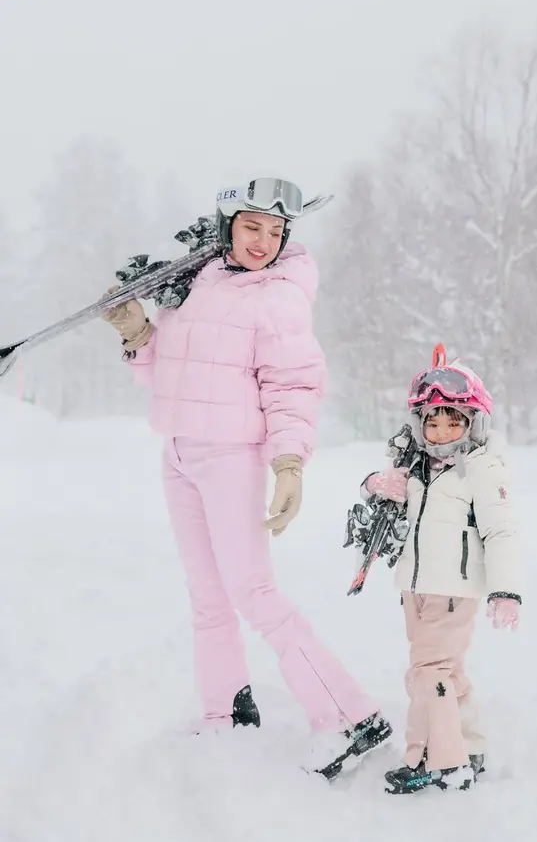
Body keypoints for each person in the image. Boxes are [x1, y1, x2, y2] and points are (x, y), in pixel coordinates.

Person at [102, 178, 391, 779]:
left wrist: (289, 464)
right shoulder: (196, 282)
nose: (264, 242)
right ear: (227, 225)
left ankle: (348, 717)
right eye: (253, 227)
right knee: (207, 598)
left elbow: (292, 386)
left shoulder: (278, 296)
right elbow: (175, 374)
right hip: (178, 453)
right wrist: (137, 333)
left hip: (231, 455)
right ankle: (224, 715)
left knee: (253, 593)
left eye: (277, 232)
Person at [358, 353, 521, 794]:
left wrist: (506, 590)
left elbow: (501, 529)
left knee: (426, 675)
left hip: (453, 591)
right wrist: (375, 484)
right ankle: (471, 744)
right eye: (433, 423)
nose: (442, 432)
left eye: (454, 422)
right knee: (447, 673)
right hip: (415, 589)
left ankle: (441, 761)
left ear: (473, 423)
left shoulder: (481, 468)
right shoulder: (417, 467)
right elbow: (387, 504)